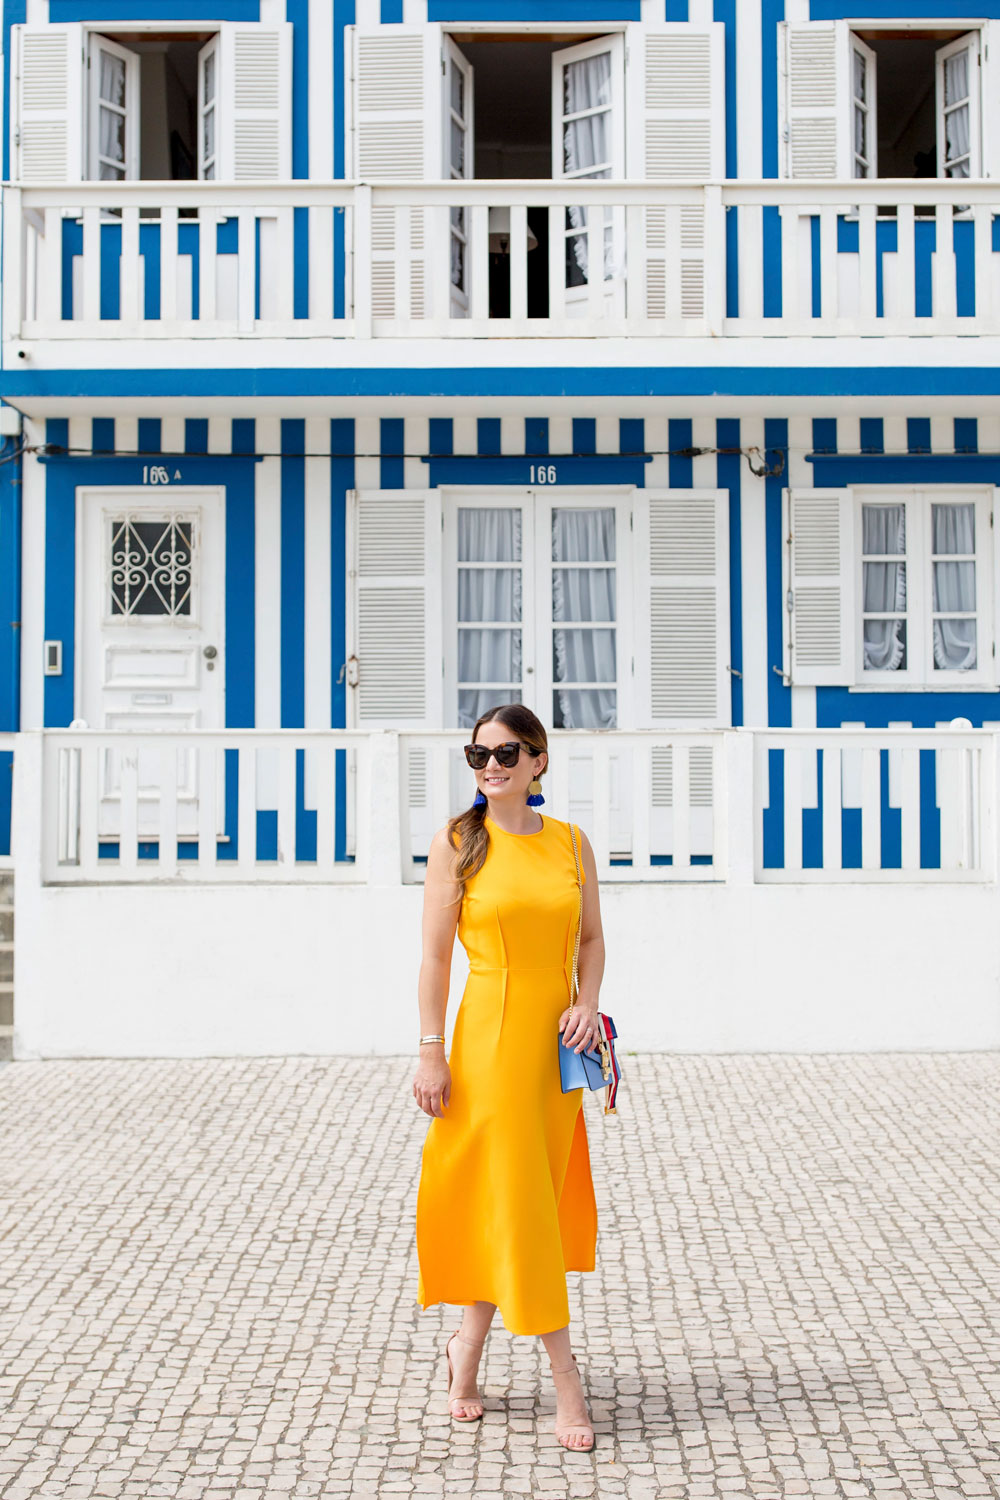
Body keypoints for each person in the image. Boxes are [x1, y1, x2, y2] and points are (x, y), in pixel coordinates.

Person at [412, 703, 606, 1450]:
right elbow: (434, 958)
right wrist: (432, 1050)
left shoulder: (570, 843)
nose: (490, 764)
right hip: (488, 1042)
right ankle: (566, 1380)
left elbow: (590, 939)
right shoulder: (458, 843)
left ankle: (467, 1353)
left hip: (554, 1049)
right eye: (478, 753)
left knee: (523, 1201)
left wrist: (588, 1005)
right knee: (516, 1199)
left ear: (538, 761)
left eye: (507, 752)